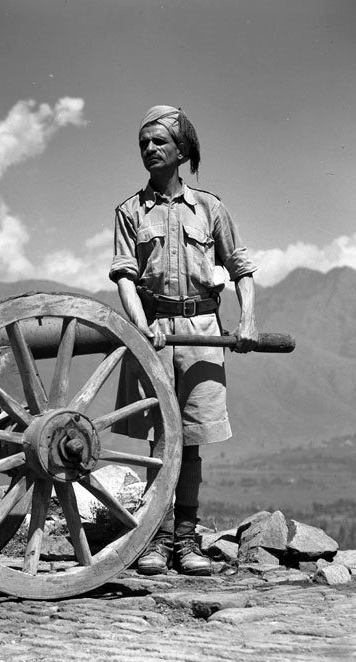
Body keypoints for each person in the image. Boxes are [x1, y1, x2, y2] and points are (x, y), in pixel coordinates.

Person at [109, 106, 259, 576]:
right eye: (143, 143)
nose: (150, 149)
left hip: (202, 333)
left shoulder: (211, 208)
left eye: (159, 142)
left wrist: (247, 320)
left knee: (191, 439)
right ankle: (157, 538)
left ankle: (187, 541)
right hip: (154, 332)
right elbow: (125, 276)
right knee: (160, 437)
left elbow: (241, 268)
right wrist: (141, 326)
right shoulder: (129, 212)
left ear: (182, 150)